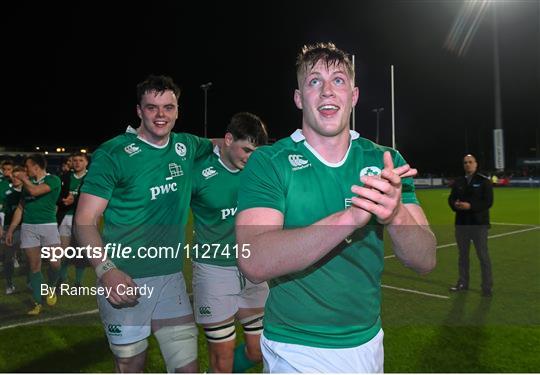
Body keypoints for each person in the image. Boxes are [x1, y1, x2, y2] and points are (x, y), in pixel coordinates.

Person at [235, 42, 437, 373]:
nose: (327, 91)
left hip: (369, 343)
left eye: (338, 80)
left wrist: (395, 214)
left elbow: (425, 260)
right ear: (299, 98)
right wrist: (350, 218)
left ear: (353, 96)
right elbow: (253, 260)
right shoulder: (269, 162)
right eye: (314, 81)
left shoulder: (384, 161)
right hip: (296, 347)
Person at [74, 74, 217, 373]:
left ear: (177, 110)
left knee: (186, 369)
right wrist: (106, 272)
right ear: (139, 111)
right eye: (152, 107)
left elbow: (225, 146)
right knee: (131, 367)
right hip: (125, 281)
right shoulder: (113, 154)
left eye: (168, 107)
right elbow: (84, 221)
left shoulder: (187, 145)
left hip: (171, 280)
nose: (161, 115)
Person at [190, 112, 269, 373]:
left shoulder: (259, 172)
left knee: (258, 351)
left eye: (255, 152)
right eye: (245, 149)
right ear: (227, 140)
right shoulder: (200, 172)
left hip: (254, 269)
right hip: (214, 271)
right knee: (221, 359)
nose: (250, 157)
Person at [6, 154, 62, 315]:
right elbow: (20, 208)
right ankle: (37, 302)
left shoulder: (53, 180)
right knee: (34, 266)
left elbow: (36, 191)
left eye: (27, 167)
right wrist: (11, 230)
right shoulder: (27, 184)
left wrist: (23, 178)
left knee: (55, 263)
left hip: (48, 226)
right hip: (29, 227)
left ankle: (51, 287)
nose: (25, 169)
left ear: (36, 166)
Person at [448, 154, 493, 297]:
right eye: (465, 162)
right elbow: (451, 198)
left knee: (483, 256)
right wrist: (454, 205)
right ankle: (463, 282)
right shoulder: (459, 181)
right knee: (463, 256)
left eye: (470, 162)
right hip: (461, 224)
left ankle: (486, 287)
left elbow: (488, 202)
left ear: (476, 164)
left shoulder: (484, 181)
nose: (467, 164)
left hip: (479, 225)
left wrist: (470, 206)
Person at [57, 152, 89, 287]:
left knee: (80, 252)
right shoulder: (65, 176)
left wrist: (74, 200)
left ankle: (78, 282)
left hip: (81, 220)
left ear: (86, 162)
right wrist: (63, 201)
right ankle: (62, 279)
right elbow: (57, 196)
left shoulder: (91, 177)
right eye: (74, 160)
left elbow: (90, 200)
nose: (77, 163)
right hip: (65, 218)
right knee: (62, 252)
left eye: (80, 160)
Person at [1, 165, 24, 294]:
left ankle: (30, 281)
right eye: (13, 177)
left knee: (29, 257)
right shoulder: (5, 191)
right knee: (8, 257)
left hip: (27, 227)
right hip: (9, 227)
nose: (14, 179)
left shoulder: (28, 190)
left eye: (18, 177)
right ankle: (9, 284)